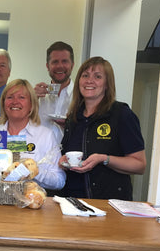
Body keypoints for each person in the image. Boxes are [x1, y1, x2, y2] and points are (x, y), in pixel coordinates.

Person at [58, 56, 146, 200]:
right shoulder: (73, 117)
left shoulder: (121, 114)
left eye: (97, 76)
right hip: (72, 201)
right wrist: (63, 161)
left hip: (108, 203)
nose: (89, 81)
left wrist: (104, 159)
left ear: (107, 84)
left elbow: (139, 165)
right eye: (85, 75)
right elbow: (67, 154)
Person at [0, 79, 65, 191]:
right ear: (3, 103)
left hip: (33, 204)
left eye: (21, 97)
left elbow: (59, 181)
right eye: (10, 97)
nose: (15, 101)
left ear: (31, 104)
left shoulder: (45, 135)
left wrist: (34, 170)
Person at [34, 41, 75, 142]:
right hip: (40, 154)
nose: (60, 66)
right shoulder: (37, 95)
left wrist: (70, 126)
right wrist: (31, 99)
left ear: (72, 65)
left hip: (70, 155)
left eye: (65, 61)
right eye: (55, 62)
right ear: (47, 66)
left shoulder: (81, 96)